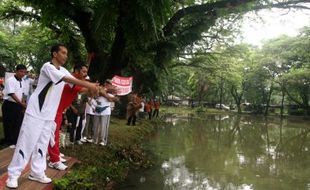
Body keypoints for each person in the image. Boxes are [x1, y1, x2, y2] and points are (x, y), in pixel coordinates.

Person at [6, 44, 98, 189]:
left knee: (42, 144)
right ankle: (13, 175)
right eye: (63, 53)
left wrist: (95, 89)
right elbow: (71, 80)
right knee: (27, 142)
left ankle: (36, 172)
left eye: (66, 53)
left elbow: (78, 87)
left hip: (49, 114)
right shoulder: (47, 67)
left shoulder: (64, 70)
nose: (65, 56)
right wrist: (91, 85)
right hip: (36, 111)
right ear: (54, 54)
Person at [47, 64, 89, 171]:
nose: (85, 74)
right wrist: (96, 88)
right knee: (53, 135)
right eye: (83, 72)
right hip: (53, 110)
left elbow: (85, 89)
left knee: (54, 134)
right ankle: (53, 159)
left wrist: (99, 89)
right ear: (77, 71)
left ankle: (54, 154)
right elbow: (83, 89)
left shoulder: (74, 80)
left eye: (86, 72)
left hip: (59, 110)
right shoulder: (71, 79)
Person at [2, 64, 27, 148]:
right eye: (21, 71)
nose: (23, 74)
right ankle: (9, 142)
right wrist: (21, 103)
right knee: (9, 123)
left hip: (18, 105)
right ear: (16, 71)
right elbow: (11, 94)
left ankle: (16, 141)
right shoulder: (10, 80)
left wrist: (23, 103)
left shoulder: (23, 81)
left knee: (18, 123)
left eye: (24, 72)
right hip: (10, 104)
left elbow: (24, 93)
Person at [92, 79, 118, 145]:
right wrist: (105, 94)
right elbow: (96, 95)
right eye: (106, 83)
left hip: (105, 111)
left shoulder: (112, 93)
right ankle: (95, 140)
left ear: (111, 85)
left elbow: (114, 99)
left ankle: (103, 140)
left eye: (109, 84)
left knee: (104, 127)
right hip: (97, 110)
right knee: (95, 126)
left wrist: (106, 95)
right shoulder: (100, 89)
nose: (107, 84)